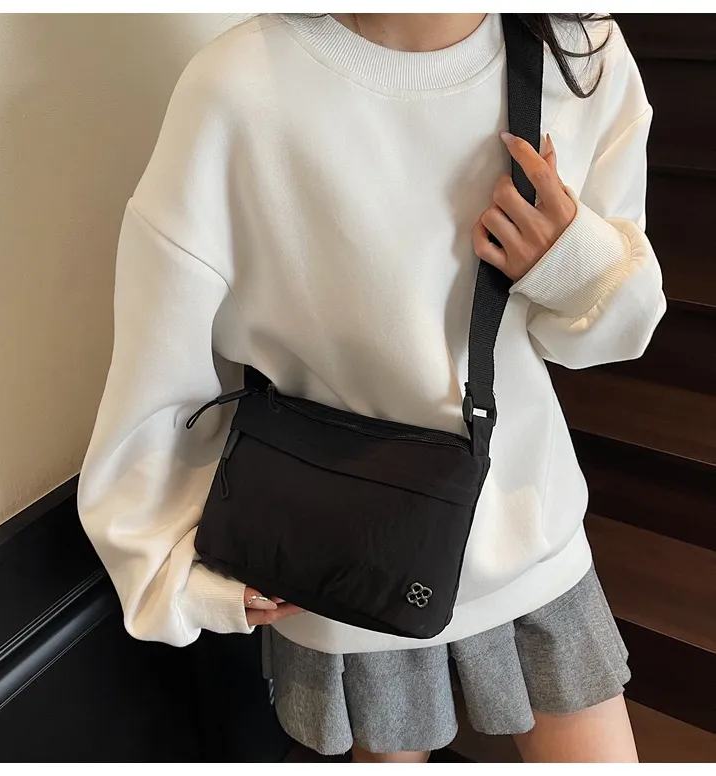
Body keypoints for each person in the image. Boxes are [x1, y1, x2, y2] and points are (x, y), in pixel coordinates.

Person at [78, 13, 665, 763]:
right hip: (344, 561)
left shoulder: (580, 53)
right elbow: (160, 356)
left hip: (531, 529)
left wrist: (570, 259)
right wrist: (174, 567)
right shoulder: (235, 87)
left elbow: (610, 335)